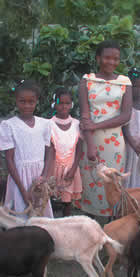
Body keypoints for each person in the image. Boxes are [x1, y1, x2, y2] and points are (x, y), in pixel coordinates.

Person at [77, 40, 133, 217]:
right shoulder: (87, 81)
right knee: (90, 182)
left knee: (112, 183)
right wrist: (91, 145)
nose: (111, 62)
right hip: (91, 140)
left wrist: (97, 125)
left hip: (114, 144)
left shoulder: (125, 82)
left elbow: (126, 116)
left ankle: (111, 224)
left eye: (116, 59)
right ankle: (88, 226)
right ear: (98, 58)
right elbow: (85, 116)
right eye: (107, 58)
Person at [0, 80, 53, 219]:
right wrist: (23, 191)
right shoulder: (9, 125)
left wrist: (44, 177)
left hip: (39, 179)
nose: (27, 105)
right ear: (16, 101)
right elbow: (10, 160)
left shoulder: (45, 124)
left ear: (36, 102)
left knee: (41, 216)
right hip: (20, 180)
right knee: (20, 216)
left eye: (31, 101)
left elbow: (49, 152)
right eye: (22, 101)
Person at [49, 87, 83, 217]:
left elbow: (80, 148)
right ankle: (50, 224)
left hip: (71, 168)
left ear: (72, 105)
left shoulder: (76, 124)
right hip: (53, 168)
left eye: (67, 103)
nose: (64, 106)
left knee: (67, 202)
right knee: (50, 198)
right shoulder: (49, 124)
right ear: (54, 104)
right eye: (60, 103)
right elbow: (49, 149)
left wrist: (74, 169)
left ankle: (66, 224)